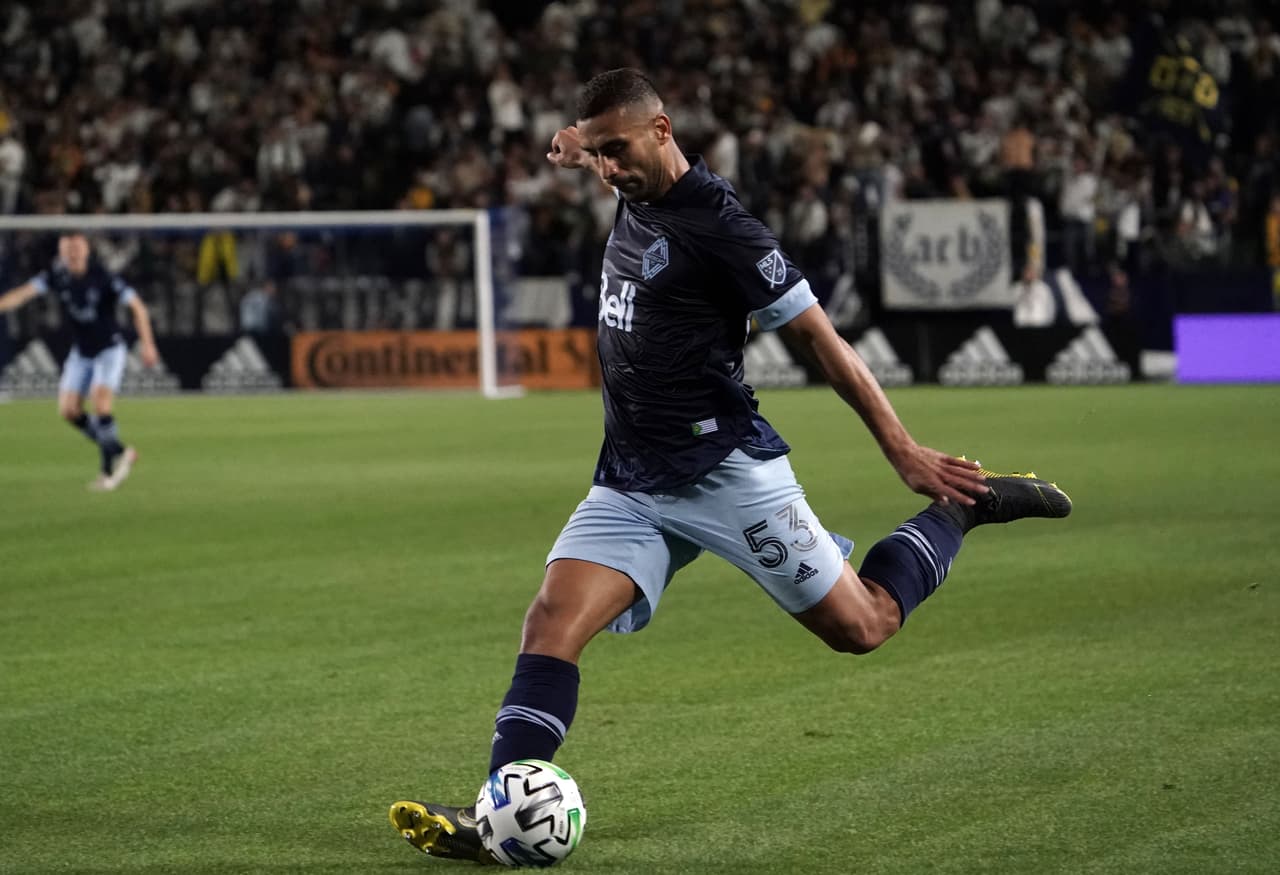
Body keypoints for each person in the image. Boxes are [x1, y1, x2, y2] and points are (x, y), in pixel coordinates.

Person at [388, 69, 1071, 863]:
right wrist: (578, 145)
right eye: (599, 154)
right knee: (549, 621)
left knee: (865, 626)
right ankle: (497, 812)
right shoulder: (627, 175)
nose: (608, 169)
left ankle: (964, 511)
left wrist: (904, 449)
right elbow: (599, 145)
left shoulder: (722, 226)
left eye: (619, 151)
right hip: (631, 478)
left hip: (725, 471)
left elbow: (823, 342)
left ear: (664, 131)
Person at [0, 231, 157, 490]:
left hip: (109, 349)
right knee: (69, 411)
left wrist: (148, 344)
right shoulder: (56, 276)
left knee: (100, 403)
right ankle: (120, 450)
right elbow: (24, 294)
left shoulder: (103, 277)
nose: (72, 254)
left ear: (86, 251)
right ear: (62, 253)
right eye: (67, 250)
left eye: (77, 249)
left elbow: (138, 307)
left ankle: (108, 473)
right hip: (81, 353)